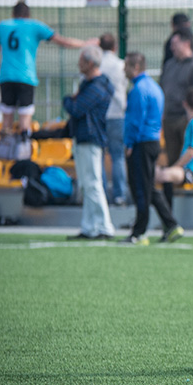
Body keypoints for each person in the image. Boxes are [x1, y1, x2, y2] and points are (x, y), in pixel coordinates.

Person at [0, 0, 95, 159]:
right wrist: (85, 44)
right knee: (25, 117)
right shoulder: (34, 25)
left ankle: (3, 154)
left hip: (6, 76)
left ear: (13, 14)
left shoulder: (3, 25)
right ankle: (23, 154)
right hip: (25, 77)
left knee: (7, 117)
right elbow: (62, 41)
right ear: (28, 14)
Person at [122, 52, 183, 246]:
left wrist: (129, 144)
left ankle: (139, 233)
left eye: (127, 66)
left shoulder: (138, 90)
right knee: (148, 186)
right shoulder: (155, 87)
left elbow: (135, 121)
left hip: (141, 142)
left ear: (135, 68)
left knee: (140, 188)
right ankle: (171, 224)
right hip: (153, 141)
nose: (124, 70)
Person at [63, 46, 115, 241]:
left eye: (82, 61)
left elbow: (76, 108)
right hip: (85, 138)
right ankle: (89, 227)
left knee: (93, 183)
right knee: (86, 184)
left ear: (90, 63)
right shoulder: (91, 84)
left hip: (91, 139)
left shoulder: (96, 87)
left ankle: (104, 226)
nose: (79, 64)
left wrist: (67, 100)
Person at [159, 27, 193, 208]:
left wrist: (191, 117)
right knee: (172, 163)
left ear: (186, 43)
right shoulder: (170, 65)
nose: (172, 48)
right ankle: (169, 210)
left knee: (183, 164)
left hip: (185, 120)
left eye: (175, 43)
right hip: (169, 119)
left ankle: (184, 208)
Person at [98, 32, 129, 206]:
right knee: (118, 157)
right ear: (115, 47)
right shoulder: (120, 65)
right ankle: (119, 195)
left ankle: (102, 193)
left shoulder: (96, 63)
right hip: (117, 113)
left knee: (100, 157)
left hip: (100, 115)